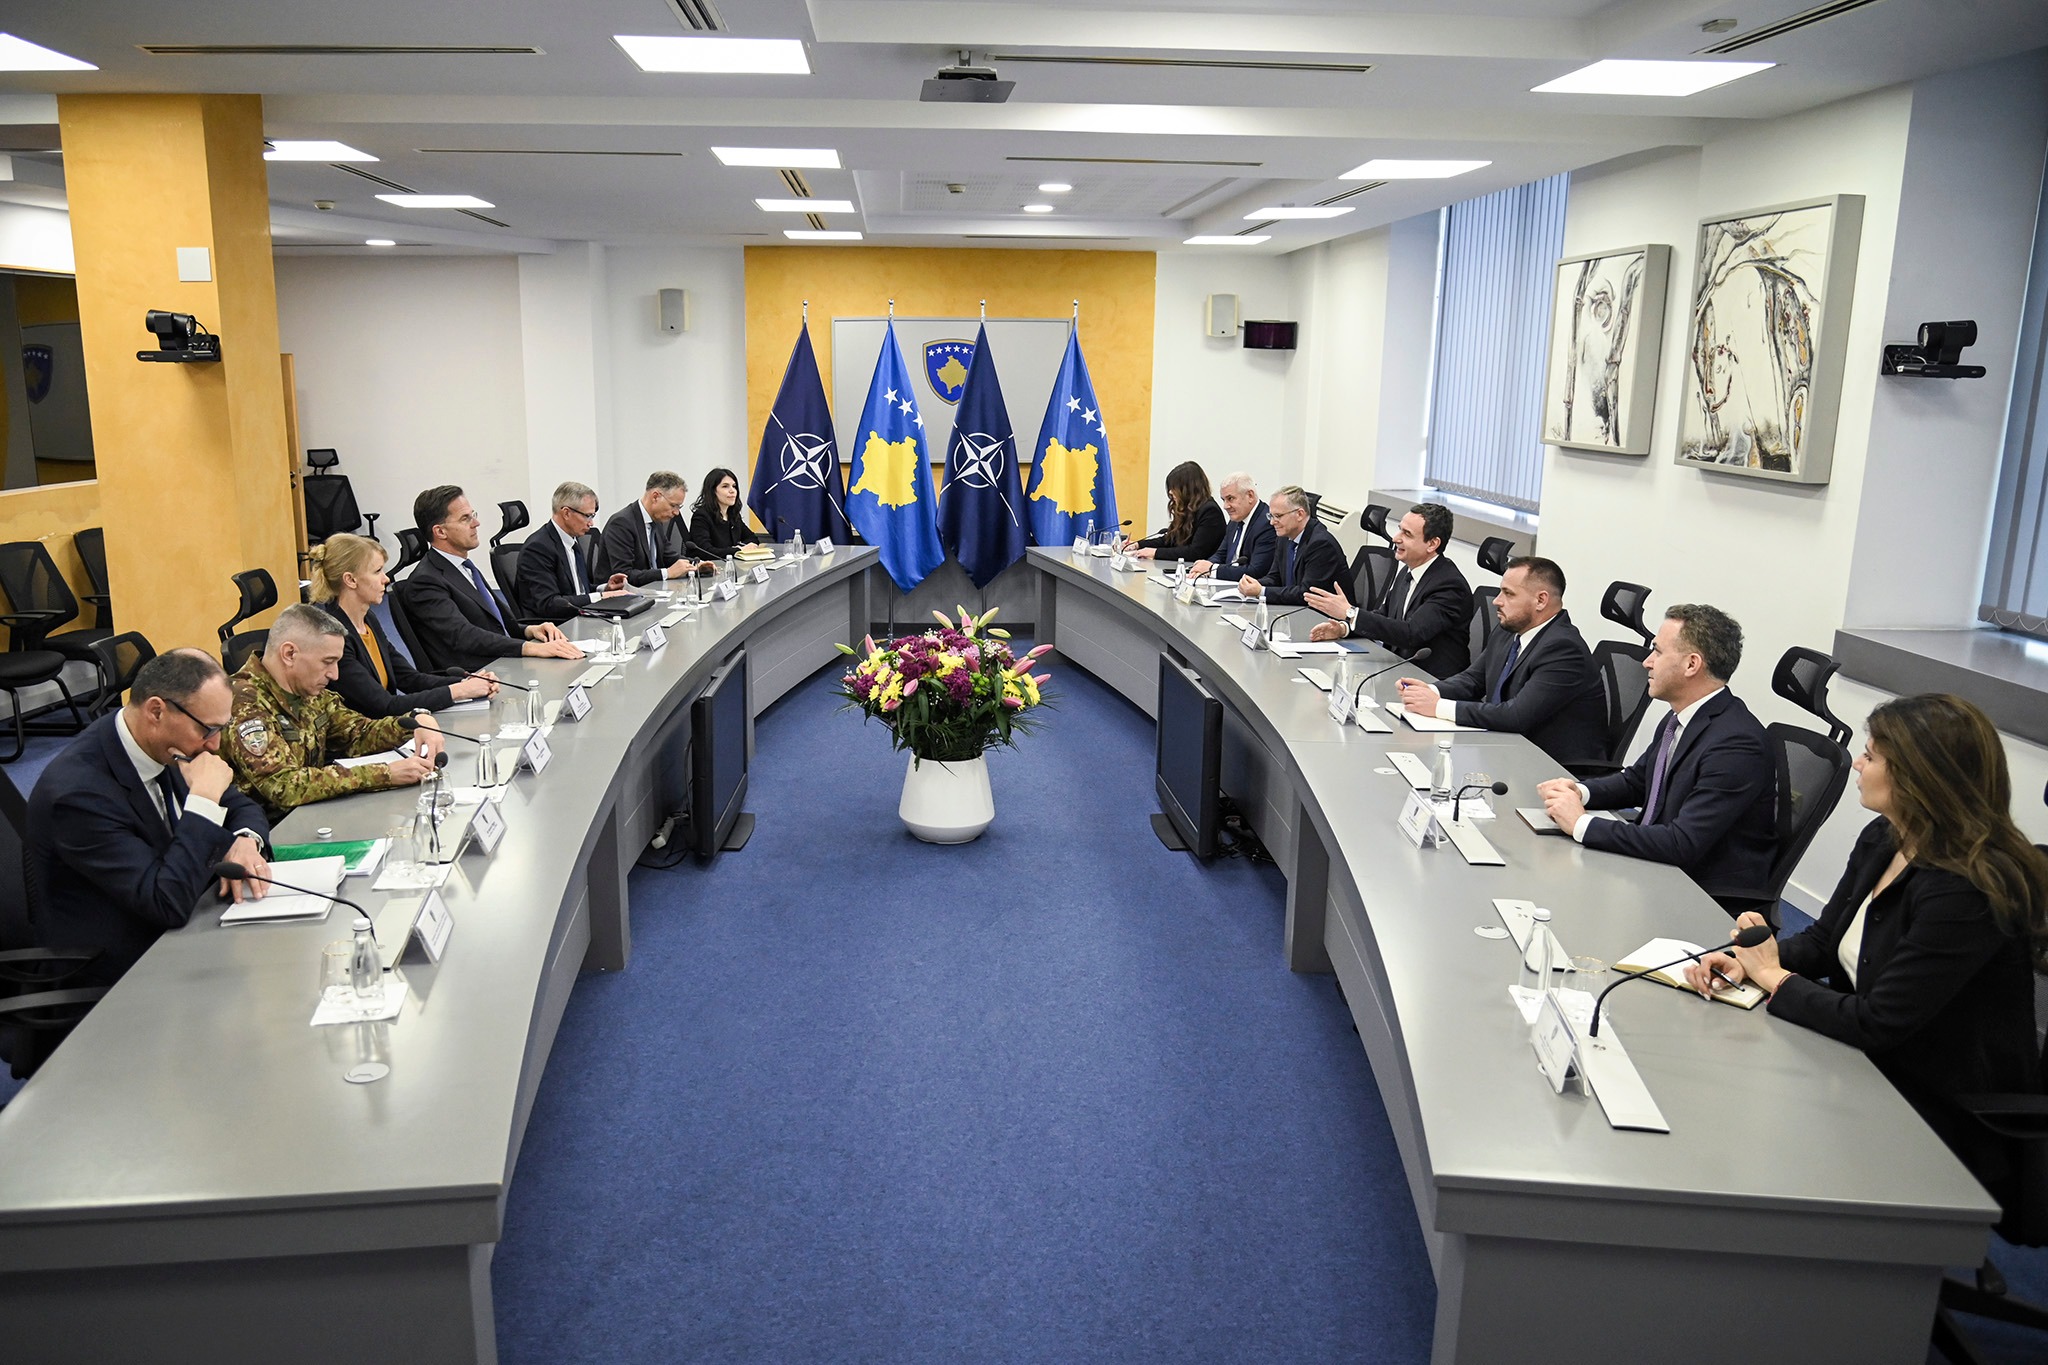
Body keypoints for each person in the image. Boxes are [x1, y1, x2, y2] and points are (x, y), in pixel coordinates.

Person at [1684, 694, 2048, 1210]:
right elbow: (1823, 943)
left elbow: (1877, 1023)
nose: (1856, 763)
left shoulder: (1966, 888)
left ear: (1919, 776)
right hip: (1861, 1062)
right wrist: (1753, 962)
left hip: (1935, 1107)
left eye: (1872, 756)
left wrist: (1772, 978)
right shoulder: (1886, 836)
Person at [26, 649, 272, 990]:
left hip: (186, 931)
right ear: (156, 711)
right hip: (118, 977)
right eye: (208, 729)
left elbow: (241, 807)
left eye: (222, 728)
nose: (215, 745)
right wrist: (203, 801)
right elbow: (165, 902)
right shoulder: (78, 795)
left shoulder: (164, 746)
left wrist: (245, 840)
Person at [1536, 604, 1775, 913]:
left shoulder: (1737, 745)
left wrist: (1581, 823)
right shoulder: (1680, 718)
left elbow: (1681, 843)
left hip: (1696, 895)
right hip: (1657, 865)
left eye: (1658, 652)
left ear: (1691, 664)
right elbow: (1638, 782)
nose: (1647, 662)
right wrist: (1578, 792)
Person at [220, 604, 447, 824]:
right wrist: (384, 774)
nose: (335, 674)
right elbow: (284, 785)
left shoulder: (307, 689)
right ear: (289, 654)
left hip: (312, 814)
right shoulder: (243, 703)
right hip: (271, 832)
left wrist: (415, 722)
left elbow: (357, 734)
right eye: (327, 662)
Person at [1396, 556, 1604, 766]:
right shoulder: (1509, 630)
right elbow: (1473, 680)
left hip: (1550, 766)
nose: (1497, 601)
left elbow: (1516, 716)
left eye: (1508, 594)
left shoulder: (1564, 649)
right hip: (1504, 748)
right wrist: (1429, 691)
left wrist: (1438, 706)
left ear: (1541, 600)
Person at [398, 485, 584, 674]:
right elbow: (464, 636)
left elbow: (497, 625)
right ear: (440, 532)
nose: (476, 523)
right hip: (481, 674)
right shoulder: (425, 582)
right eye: (465, 518)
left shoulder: (465, 567)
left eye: (473, 515)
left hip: (502, 661)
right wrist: (530, 648)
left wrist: (530, 630)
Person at [309, 533, 498, 718]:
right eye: (377, 571)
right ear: (351, 580)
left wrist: (468, 681)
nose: (386, 579)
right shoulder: (335, 638)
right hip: (363, 734)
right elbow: (384, 705)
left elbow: (409, 679)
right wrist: (458, 691)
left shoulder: (368, 620)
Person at [1305, 502, 1473, 678]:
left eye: (1407, 534)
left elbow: (1411, 634)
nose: (1395, 538)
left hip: (1431, 681)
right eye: (1400, 530)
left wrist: (1350, 613)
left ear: (1432, 544)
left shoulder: (1450, 586)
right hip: (1399, 670)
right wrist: (1343, 628)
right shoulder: (1408, 571)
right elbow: (1384, 615)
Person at [515, 480, 634, 623]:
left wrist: (604, 589)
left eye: (592, 516)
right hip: (558, 625)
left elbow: (577, 591)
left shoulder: (572, 540)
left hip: (579, 617)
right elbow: (549, 604)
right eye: (587, 516)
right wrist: (600, 597)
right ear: (566, 513)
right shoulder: (538, 548)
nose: (591, 523)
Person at [1238, 485, 1351, 608]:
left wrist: (1261, 591)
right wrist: (1254, 585)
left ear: (1299, 514)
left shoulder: (1321, 544)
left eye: (1278, 516)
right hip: (1296, 608)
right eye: (1271, 516)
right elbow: (1275, 577)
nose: (1272, 522)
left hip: (1324, 615)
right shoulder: (1284, 537)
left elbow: (1307, 594)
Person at [597, 471, 705, 585]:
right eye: (673, 505)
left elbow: (669, 557)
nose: (676, 512)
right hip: (622, 594)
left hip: (652, 590)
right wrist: (667, 573)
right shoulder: (621, 523)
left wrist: (697, 565)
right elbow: (624, 575)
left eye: (679, 507)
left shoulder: (656, 521)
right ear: (655, 497)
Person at [1129, 461, 1226, 563]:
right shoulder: (1188, 509)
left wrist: (1155, 553)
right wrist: (1138, 545)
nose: (1170, 492)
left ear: (1188, 488)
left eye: (1174, 487)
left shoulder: (1210, 511)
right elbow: (1170, 540)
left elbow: (1195, 552)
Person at [1187, 472, 1274, 581]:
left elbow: (1256, 571)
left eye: (1230, 498)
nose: (1225, 506)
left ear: (1250, 496)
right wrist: (1203, 567)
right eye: (1223, 500)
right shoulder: (1235, 520)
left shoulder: (1267, 524)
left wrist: (1211, 569)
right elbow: (1220, 554)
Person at [690, 466, 762, 558]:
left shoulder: (733, 515)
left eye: (734, 486)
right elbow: (705, 551)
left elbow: (752, 538)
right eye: (725, 486)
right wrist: (738, 550)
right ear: (712, 491)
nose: (732, 491)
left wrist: (744, 547)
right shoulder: (701, 516)